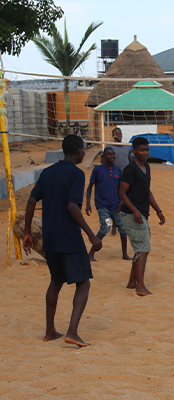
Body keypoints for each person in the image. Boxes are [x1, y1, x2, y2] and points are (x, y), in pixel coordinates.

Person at [23, 135, 102, 348]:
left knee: (56, 282)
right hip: (69, 236)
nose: (84, 153)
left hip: (49, 237)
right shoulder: (76, 174)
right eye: (83, 149)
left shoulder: (48, 172)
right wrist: (90, 234)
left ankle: (50, 331)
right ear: (77, 151)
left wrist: (28, 232)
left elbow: (31, 200)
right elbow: (72, 207)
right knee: (83, 282)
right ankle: (72, 332)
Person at [119, 136, 165, 296]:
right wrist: (134, 210)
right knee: (143, 248)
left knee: (141, 247)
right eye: (142, 150)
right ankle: (140, 286)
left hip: (142, 213)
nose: (145, 153)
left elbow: (147, 191)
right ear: (134, 151)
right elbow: (122, 193)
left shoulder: (146, 167)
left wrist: (158, 210)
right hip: (131, 214)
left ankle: (132, 283)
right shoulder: (130, 169)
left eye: (147, 150)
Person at [86, 147, 132, 262]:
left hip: (115, 206)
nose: (112, 156)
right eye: (109, 154)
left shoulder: (118, 170)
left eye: (113, 154)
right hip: (102, 207)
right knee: (106, 227)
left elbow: (120, 189)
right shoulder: (98, 170)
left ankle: (125, 254)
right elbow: (90, 187)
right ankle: (91, 253)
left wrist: (121, 202)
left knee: (122, 229)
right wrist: (88, 204)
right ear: (104, 156)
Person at [106, 127, 132, 236]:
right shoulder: (109, 147)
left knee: (126, 199)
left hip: (126, 176)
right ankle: (114, 225)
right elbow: (105, 160)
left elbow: (129, 159)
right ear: (113, 136)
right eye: (116, 133)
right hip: (115, 176)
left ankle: (125, 224)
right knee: (116, 201)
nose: (118, 135)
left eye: (120, 133)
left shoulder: (127, 146)